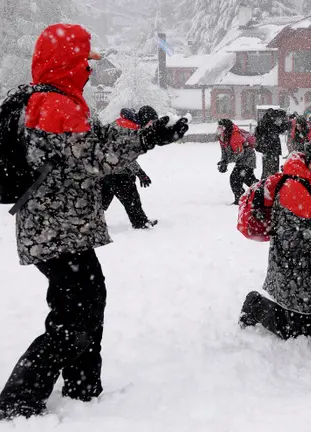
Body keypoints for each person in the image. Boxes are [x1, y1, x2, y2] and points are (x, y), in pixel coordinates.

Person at [0, 23, 188, 421]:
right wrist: (145, 140)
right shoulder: (54, 107)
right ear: (68, 62)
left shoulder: (51, 101)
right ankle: (21, 398)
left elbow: (97, 143)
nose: (89, 70)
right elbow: (92, 160)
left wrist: (147, 134)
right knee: (78, 310)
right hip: (58, 230)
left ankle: (83, 386)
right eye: (85, 62)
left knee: (80, 303)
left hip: (54, 229)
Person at [239, 139, 311, 340]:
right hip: (295, 272)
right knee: (302, 333)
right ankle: (255, 305)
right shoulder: (295, 187)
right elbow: (291, 237)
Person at [101, 107, 157, 229]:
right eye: (150, 123)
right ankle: (140, 222)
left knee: (101, 200)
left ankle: (87, 222)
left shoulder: (121, 124)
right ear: (145, 119)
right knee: (132, 199)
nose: (150, 126)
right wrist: (140, 173)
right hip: (118, 172)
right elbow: (125, 156)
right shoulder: (128, 129)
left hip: (105, 169)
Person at [217, 118, 257, 204]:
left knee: (235, 178)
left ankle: (241, 198)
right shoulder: (222, 136)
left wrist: (226, 162)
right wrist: (223, 161)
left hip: (248, 158)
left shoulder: (235, 135)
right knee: (247, 178)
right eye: (218, 127)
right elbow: (224, 151)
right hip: (241, 159)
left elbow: (240, 153)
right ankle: (260, 192)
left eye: (221, 127)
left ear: (226, 128)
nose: (218, 129)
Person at [256, 108, 290, 179]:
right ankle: (269, 184)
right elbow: (279, 129)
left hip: (268, 151)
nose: (280, 120)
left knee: (267, 171)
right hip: (271, 150)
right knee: (272, 171)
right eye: (280, 119)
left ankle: (266, 183)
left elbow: (279, 129)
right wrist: (286, 124)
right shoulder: (270, 124)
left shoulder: (265, 123)